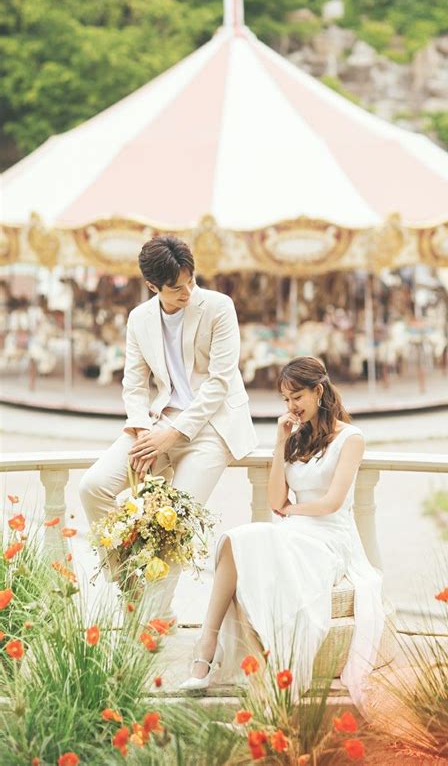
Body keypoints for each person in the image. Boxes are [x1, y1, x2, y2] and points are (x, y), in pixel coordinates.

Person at [180, 356, 385, 709]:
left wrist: (293, 512)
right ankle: (206, 649)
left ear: (318, 391)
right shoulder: (295, 438)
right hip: (294, 529)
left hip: (329, 537)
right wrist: (280, 441)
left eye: (297, 397)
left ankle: (238, 666)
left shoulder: (351, 438)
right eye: (286, 400)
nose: (291, 407)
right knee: (232, 541)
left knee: (249, 545)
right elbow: (276, 499)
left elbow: (332, 502)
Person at [79, 235, 257, 620]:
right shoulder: (139, 318)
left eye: (191, 281)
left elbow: (219, 383)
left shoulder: (219, 307)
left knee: (173, 524)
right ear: (152, 286)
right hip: (157, 422)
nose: (188, 293)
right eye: (177, 288)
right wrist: (143, 430)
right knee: (92, 487)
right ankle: (131, 584)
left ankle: (148, 627)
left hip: (213, 427)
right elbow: (134, 384)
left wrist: (171, 435)